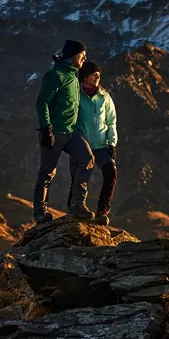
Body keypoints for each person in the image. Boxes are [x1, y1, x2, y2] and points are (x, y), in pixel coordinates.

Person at [33, 39, 95, 224]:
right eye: (81, 54)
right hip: (54, 132)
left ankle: (77, 205)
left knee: (87, 159)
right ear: (72, 55)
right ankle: (40, 213)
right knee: (47, 172)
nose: (84, 58)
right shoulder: (55, 75)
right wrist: (46, 129)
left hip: (71, 133)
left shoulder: (73, 76)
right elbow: (42, 101)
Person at [68, 60, 117, 226]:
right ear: (84, 77)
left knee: (111, 172)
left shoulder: (105, 97)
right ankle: (73, 209)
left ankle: (102, 212)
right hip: (82, 143)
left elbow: (111, 121)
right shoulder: (76, 96)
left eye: (99, 75)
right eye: (93, 74)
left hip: (102, 145)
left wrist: (112, 143)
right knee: (78, 177)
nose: (97, 77)